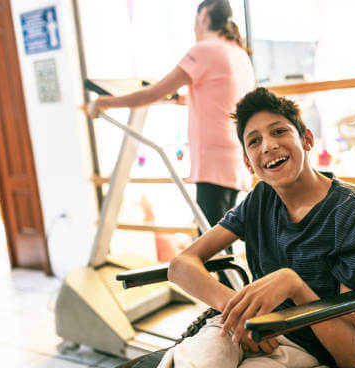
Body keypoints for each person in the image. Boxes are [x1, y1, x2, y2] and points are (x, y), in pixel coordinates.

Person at [134, 87, 355, 368]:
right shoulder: (259, 200)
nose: (268, 145)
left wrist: (293, 284)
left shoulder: (351, 211)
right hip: (244, 329)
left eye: (279, 131)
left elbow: (351, 355)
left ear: (306, 139)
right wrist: (240, 314)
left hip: (304, 351)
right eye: (254, 141)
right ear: (249, 163)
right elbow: (181, 265)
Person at [88, 0, 254, 239]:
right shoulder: (238, 52)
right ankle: (228, 278)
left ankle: (225, 279)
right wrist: (184, 99)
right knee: (220, 239)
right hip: (235, 157)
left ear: (204, 15)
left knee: (211, 246)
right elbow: (223, 96)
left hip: (214, 161)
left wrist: (104, 102)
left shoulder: (204, 50)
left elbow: (152, 93)